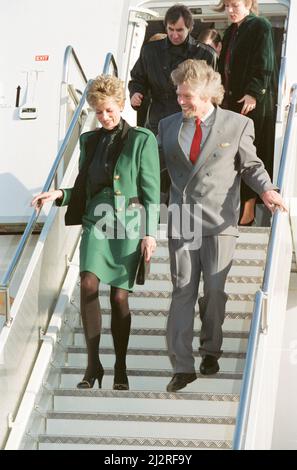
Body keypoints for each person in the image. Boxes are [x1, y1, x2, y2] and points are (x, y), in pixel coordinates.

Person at [157, 59, 286, 392]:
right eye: (178, 95)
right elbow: (152, 169)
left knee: (214, 291)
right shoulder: (167, 126)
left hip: (220, 219)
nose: (180, 101)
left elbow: (251, 166)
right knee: (182, 290)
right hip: (182, 218)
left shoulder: (237, 124)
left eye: (186, 96)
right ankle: (182, 367)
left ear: (206, 93)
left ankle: (211, 348)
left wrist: (268, 190)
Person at [31, 75, 160, 391]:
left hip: (128, 223)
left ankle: (120, 366)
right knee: (88, 283)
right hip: (96, 221)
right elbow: (84, 188)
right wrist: (58, 194)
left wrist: (150, 233)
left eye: (109, 109)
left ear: (120, 104)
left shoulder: (142, 139)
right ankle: (92, 365)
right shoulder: (90, 141)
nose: (105, 116)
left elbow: (151, 192)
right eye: (99, 111)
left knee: (119, 298)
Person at [217, 0, 277, 226]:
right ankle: (238, 208)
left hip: (253, 104)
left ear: (249, 4)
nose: (230, 10)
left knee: (251, 154)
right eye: (227, 6)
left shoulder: (260, 25)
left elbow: (265, 63)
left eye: (235, 5)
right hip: (232, 104)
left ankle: (249, 210)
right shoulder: (230, 31)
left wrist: (253, 93)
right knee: (233, 156)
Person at [129, 3, 217, 135]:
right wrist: (136, 92)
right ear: (166, 27)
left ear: (190, 28)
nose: (175, 35)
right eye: (171, 29)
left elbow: (213, 90)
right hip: (157, 119)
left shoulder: (206, 54)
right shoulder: (150, 51)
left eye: (179, 30)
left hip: (191, 120)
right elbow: (138, 78)